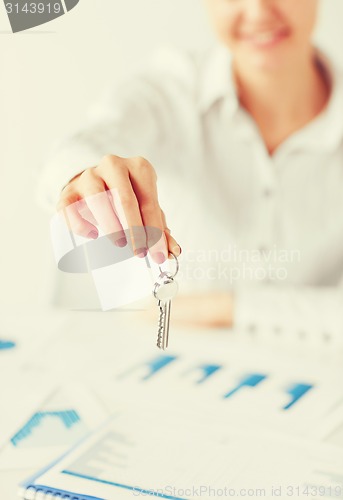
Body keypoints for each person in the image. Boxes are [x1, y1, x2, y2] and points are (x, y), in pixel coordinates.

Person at [38, 0, 343, 338]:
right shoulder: (171, 90)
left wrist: (218, 309)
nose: (258, 11)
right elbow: (77, 148)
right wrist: (82, 176)